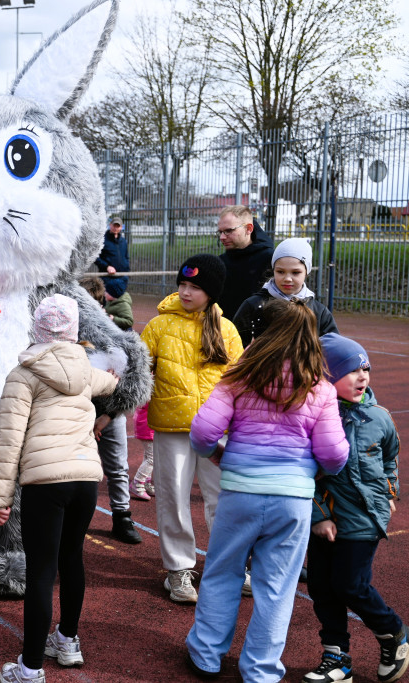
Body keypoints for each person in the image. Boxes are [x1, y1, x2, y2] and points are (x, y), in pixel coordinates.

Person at [184, 300, 349, 682]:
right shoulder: (319, 388)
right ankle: (260, 669)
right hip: (292, 499)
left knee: (222, 571)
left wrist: (219, 456)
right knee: (277, 587)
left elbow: (203, 432)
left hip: (240, 490)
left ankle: (206, 654)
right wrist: (314, 473)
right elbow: (335, 453)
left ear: (263, 334)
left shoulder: (240, 375)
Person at [0, 294, 118, 682]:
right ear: (74, 330)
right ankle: (67, 640)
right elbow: (114, 381)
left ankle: (29, 669)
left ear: (36, 328)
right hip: (85, 478)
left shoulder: (23, 374)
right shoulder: (84, 368)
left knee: (41, 571)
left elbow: (8, 440)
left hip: (46, 480)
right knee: (71, 558)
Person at [140, 254, 243, 603]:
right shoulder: (158, 326)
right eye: (182, 284)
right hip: (172, 427)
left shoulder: (226, 330)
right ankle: (179, 570)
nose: (185, 292)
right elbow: (140, 372)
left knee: (223, 500)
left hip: (218, 429)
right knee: (173, 497)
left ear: (211, 292)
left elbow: (238, 380)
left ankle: (227, 566)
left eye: (194, 287)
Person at [303, 333, 406, 683]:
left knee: (350, 585)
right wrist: (319, 516)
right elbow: (305, 471)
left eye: (366, 369)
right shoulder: (314, 414)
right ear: (328, 376)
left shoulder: (380, 417)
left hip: (365, 518)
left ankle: (392, 630)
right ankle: (337, 658)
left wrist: (390, 494)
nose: (362, 376)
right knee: (320, 587)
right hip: (327, 519)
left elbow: (391, 458)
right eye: (352, 370)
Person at [78, 276, 140, 544]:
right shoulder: (69, 335)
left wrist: (108, 416)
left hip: (109, 412)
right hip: (75, 412)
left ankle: (122, 516)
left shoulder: (115, 336)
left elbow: (133, 381)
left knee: (116, 466)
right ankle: (76, 519)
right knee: (76, 468)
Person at [232, 238, 338, 347]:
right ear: (273, 270)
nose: (287, 278)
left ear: (307, 272)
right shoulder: (254, 305)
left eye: (295, 272)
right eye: (280, 272)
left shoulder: (319, 312)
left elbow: (332, 349)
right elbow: (235, 346)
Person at [216, 205, 274, 320]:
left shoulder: (270, 259)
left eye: (228, 231)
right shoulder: (219, 262)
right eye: (220, 232)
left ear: (248, 229)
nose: (222, 237)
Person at [94, 216, 129, 302]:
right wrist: (107, 267)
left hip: (122, 276)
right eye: (114, 225)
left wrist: (126, 268)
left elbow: (126, 256)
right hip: (107, 277)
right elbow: (95, 257)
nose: (116, 228)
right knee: (106, 301)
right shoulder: (102, 240)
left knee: (121, 302)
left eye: (118, 226)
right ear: (110, 225)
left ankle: (117, 316)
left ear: (121, 227)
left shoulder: (123, 241)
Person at [130, 404, 156, 501]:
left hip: (147, 422)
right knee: (152, 458)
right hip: (147, 424)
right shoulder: (150, 390)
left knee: (148, 456)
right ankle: (137, 482)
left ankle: (145, 482)